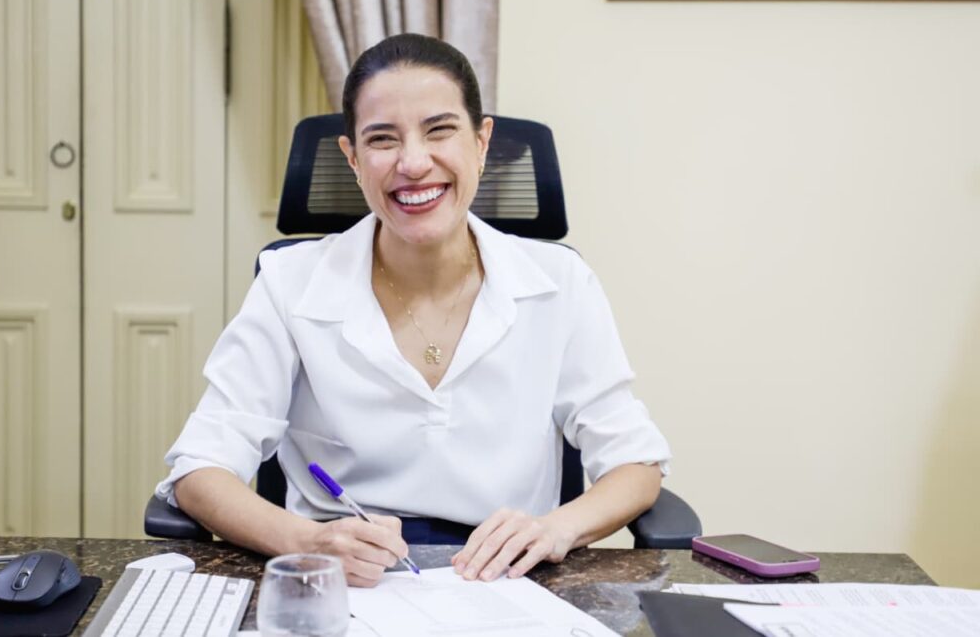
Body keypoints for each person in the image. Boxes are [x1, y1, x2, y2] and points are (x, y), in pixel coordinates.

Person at [156, 33, 671, 588]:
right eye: (383, 139)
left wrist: (555, 529)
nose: (414, 162)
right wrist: (307, 542)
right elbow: (200, 469)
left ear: (482, 142)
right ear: (353, 159)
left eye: (439, 130)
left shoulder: (560, 282)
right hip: (341, 583)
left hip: (508, 587)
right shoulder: (290, 282)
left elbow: (635, 464)